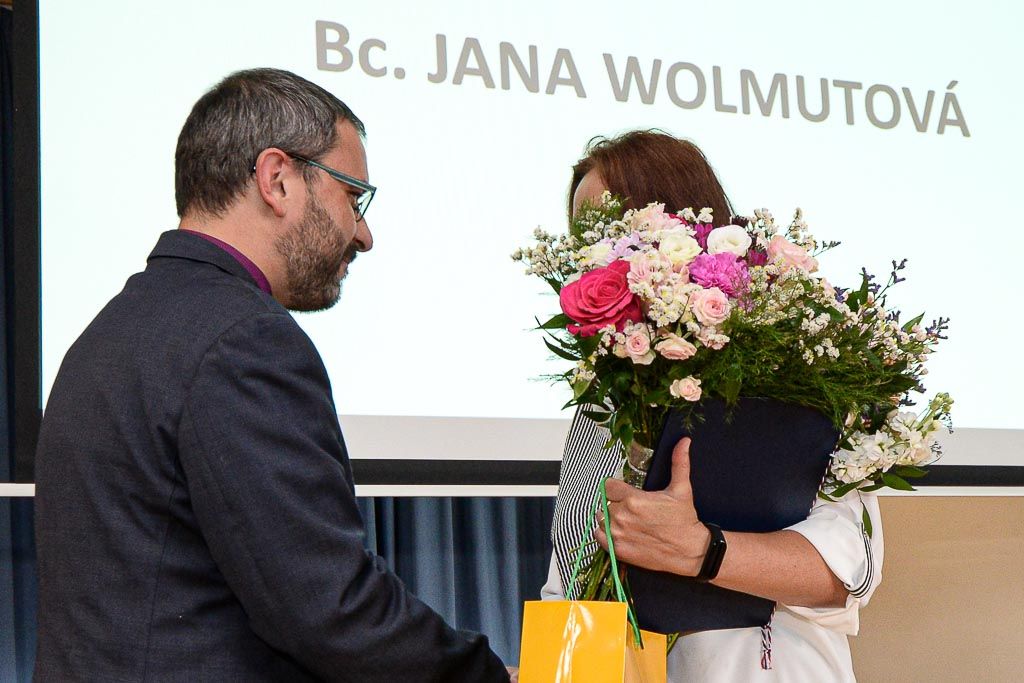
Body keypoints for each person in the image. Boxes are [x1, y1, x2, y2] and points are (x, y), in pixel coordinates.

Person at [34, 68, 512, 682]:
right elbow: (329, 610)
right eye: (353, 197)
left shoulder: (114, 327)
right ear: (277, 179)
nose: (364, 235)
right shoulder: (244, 340)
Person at [540, 131, 883, 681]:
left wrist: (702, 550)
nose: (590, 255)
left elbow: (843, 571)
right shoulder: (600, 402)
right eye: (581, 236)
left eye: (610, 231)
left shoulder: (785, 374)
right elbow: (570, 577)